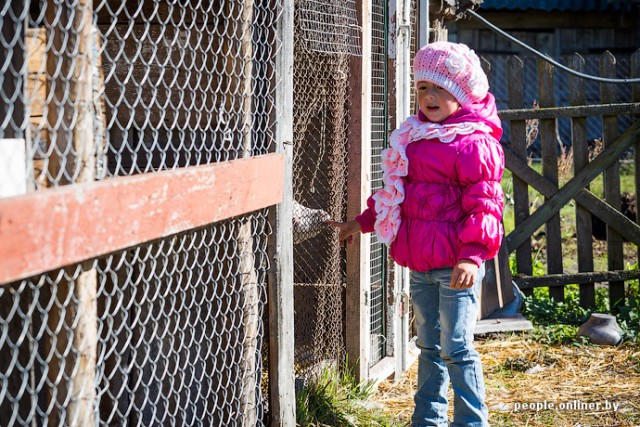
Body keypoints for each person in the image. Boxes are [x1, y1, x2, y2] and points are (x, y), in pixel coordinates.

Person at [330, 41, 504, 427]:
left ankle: (472, 421)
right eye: (423, 86)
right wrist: (362, 222)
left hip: (456, 266)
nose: (429, 96)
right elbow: (395, 195)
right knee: (428, 345)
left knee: (456, 347)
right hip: (422, 265)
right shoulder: (413, 135)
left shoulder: (474, 143)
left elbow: (487, 205)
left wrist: (472, 256)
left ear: (460, 94)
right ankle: (428, 419)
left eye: (440, 88)